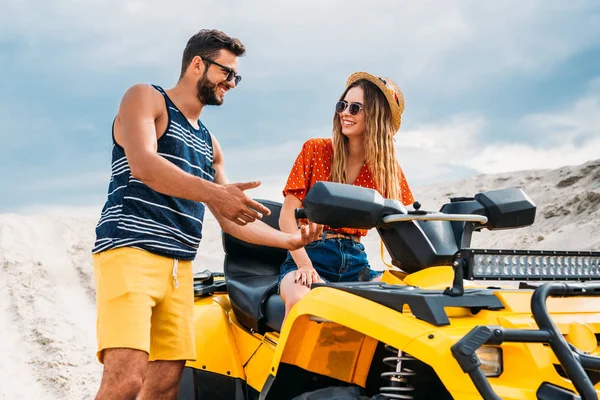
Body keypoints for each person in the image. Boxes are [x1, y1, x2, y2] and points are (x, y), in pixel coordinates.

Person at [91, 29, 322, 400]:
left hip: (179, 268)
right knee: (126, 381)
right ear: (197, 64)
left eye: (236, 76)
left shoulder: (209, 143)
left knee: (165, 385)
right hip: (129, 251)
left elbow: (230, 218)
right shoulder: (145, 98)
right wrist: (216, 192)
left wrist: (289, 240)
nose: (231, 83)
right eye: (225, 72)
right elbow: (144, 165)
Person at [278, 72, 415, 316]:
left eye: (355, 108)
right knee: (302, 302)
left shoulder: (386, 170)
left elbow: (409, 222)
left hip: (356, 261)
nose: (345, 113)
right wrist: (305, 265)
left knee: (407, 304)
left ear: (375, 117)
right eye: (342, 105)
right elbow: (286, 216)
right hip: (310, 253)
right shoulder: (316, 149)